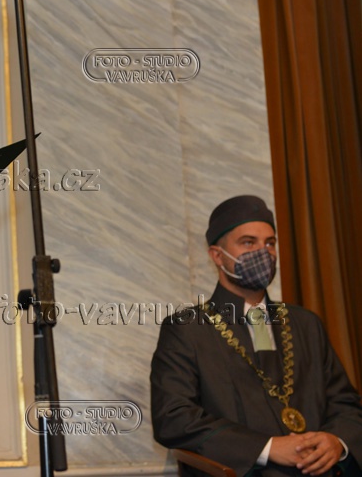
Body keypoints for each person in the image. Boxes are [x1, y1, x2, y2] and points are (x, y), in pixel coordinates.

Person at [151, 195, 362, 476]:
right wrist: (266, 448)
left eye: (270, 243)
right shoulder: (187, 329)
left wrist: (336, 441)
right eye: (248, 243)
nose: (264, 253)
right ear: (217, 255)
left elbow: (346, 405)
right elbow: (172, 418)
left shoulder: (306, 324)